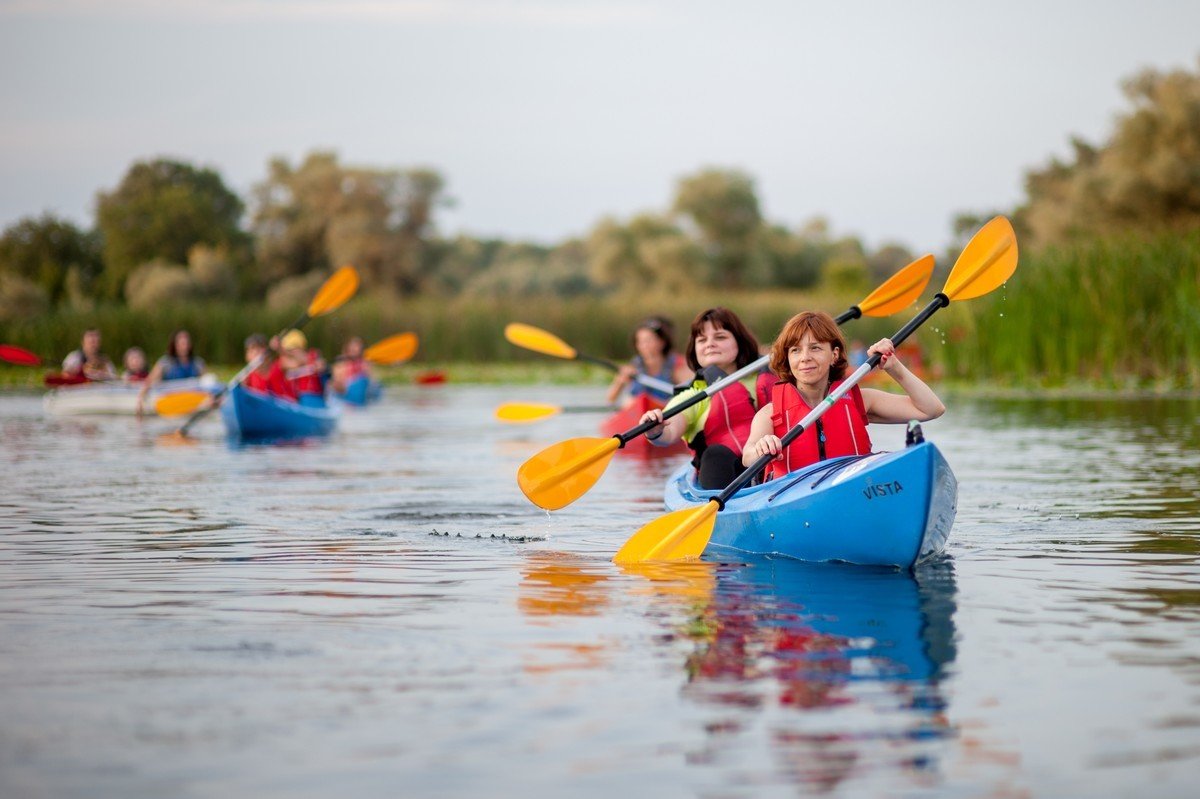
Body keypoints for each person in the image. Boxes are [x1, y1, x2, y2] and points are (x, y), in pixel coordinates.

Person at [743, 311, 945, 479]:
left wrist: (894, 367)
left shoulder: (861, 401)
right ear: (787, 358)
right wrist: (762, 447)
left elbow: (931, 409)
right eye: (796, 350)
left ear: (834, 354)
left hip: (852, 492)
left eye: (815, 348)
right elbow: (748, 456)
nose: (805, 358)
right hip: (795, 502)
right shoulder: (770, 414)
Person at [639, 308, 762, 489]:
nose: (710, 344)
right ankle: (718, 511)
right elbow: (669, 430)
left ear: (740, 343)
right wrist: (655, 430)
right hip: (723, 483)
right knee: (715, 454)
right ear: (695, 349)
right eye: (702, 340)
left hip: (774, 474)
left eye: (720, 337)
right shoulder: (693, 395)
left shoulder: (768, 379)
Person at [604, 317, 692, 405]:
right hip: (637, 413)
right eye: (640, 341)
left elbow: (691, 395)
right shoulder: (633, 367)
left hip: (664, 411)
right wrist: (620, 381)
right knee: (628, 401)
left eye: (648, 340)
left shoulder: (676, 367)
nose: (644, 345)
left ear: (662, 342)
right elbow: (610, 399)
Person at [136, 329, 208, 413]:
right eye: (181, 344)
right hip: (171, 401)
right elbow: (149, 382)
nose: (184, 347)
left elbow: (207, 383)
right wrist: (140, 399)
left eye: (186, 344)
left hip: (191, 401)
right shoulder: (165, 363)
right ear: (174, 345)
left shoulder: (198, 363)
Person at [242, 333, 297, 401]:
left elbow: (298, 362)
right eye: (251, 350)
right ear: (246, 356)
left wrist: (281, 350)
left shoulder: (280, 365)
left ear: (267, 352)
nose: (255, 353)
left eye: (259, 349)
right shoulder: (247, 377)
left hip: (287, 407)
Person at [277, 329, 326, 406]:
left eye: (292, 350)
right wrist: (279, 347)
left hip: (313, 399)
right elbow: (292, 364)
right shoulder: (285, 362)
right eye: (289, 351)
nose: (291, 353)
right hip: (295, 401)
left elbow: (319, 364)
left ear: (301, 348)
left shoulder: (313, 356)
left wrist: (319, 366)